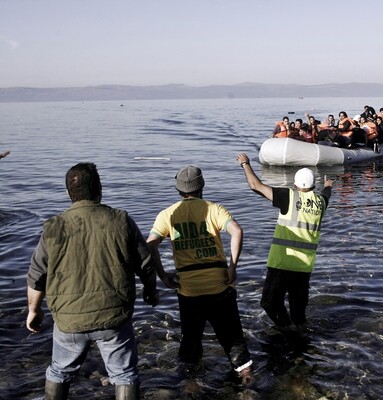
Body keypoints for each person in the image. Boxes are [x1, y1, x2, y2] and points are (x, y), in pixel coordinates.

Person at [26, 162, 159, 400]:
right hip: (113, 317)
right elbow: (145, 263)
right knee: (124, 375)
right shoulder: (121, 220)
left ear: (69, 193)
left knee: (59, 370)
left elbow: (36, 275)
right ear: (100, 189)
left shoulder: (54, 226)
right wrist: (151, 291)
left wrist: (33, 311)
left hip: (68, 318)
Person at [146, 166, 252, 378]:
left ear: (178, 188)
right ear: (202, 186)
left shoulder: (167, 214)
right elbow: (237, 231)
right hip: (220, 286)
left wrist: (162, 275)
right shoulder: (214, 208)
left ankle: (191, 386)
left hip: (189, 292)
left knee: (191, 344)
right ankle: (247, 382)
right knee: (234, 342)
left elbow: (150, 245)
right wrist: (232, 266)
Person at [235, 153, 333, 336]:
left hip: (283, 263)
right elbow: (326, 194)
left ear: (295, 185)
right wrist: (328, 186)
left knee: (269, 303)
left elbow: (255, 186)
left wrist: (245, 164)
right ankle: (300, 340)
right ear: (313, 186)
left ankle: (287, 330)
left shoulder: (289, 196)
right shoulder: (320, 203)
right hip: (304, 267)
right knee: (298, 311)